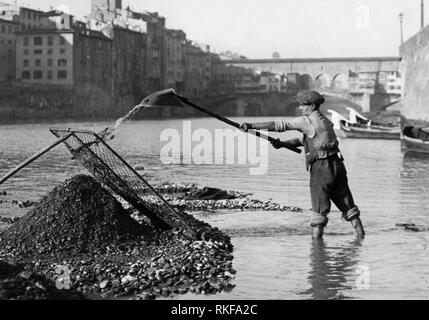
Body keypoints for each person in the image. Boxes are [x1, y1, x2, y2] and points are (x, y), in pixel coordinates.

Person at [240, 90, 365, 239]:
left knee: (318, 212)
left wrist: (251, 125)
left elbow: (279, 125)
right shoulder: (325, 121)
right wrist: (284, 143)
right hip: (337, 165)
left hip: (322, 168)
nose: (300, 108)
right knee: (348, 207)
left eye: (303, 105)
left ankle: (317, 251)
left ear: (312, 106)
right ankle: (360, 237)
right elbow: (305, 140)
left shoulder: (306, 121)